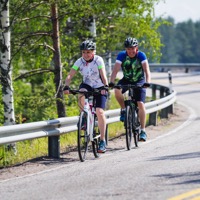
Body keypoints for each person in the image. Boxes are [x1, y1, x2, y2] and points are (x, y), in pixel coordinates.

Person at [63, 40, 108, 153]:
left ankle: (102, 141)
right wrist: (66, 86)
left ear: (93, 52)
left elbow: (103, 74)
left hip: (99, 86)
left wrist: (105, 87)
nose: (86, 54)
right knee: (81, 92)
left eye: (88, 52)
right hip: (87, 85)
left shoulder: (98, 60)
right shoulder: (80, 61)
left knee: (99, 111)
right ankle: (84, 116)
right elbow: (70, 75)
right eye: (84, 52)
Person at [109, 37, 151, 142]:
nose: (131, 51)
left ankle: (142, 130)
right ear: (126, 49)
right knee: (117, 90)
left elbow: (146, 70)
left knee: (140, 103)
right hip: (126, 80)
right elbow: (115, 69)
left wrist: (148, 82)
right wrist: (112, 82)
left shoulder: (141, 55)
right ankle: (124, 110)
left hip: (139, 81)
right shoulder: (122, 55)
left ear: (136, 48)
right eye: (128, 49)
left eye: (133, 48)